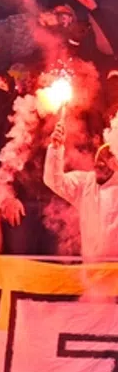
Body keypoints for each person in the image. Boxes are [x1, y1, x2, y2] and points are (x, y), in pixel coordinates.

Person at [42, 110, 118, 260]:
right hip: (92, 273)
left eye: (105, 162)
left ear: (115, 164)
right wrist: (56, 148)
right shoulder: (85, 183)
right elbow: (53, 180)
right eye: (98, 162)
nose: (99, 166)